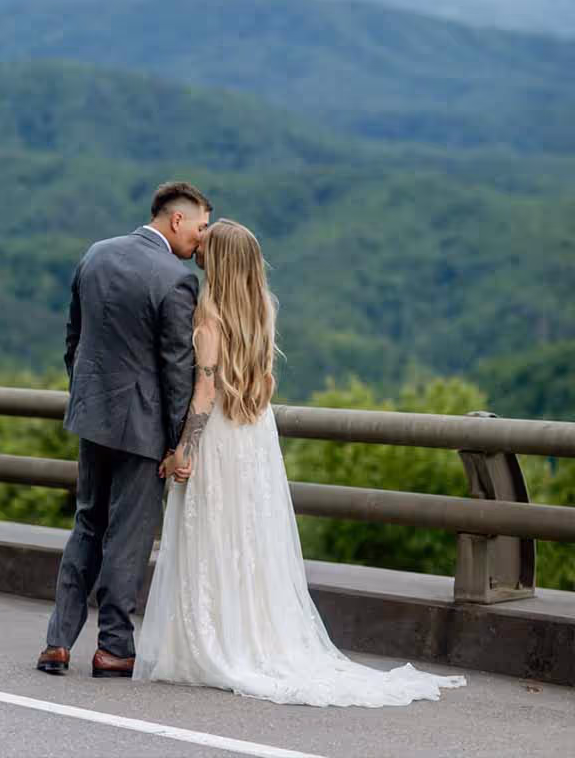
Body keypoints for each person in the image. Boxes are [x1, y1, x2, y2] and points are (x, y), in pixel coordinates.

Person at [134, 219, 467, 707]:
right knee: (250, 536)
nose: (196, 251)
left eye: (205, 247)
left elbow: (204, 392)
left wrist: (185, 448)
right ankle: (254, 634)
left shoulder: (208, 320)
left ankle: (216, 640)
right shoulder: (261, 311)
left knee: (213, 533)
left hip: (221, 435)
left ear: (219, 261)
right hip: (254, 432)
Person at [37, 181, 212, 678]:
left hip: (92, 416)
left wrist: (87, 394)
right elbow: (177, 368)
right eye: (199, 228)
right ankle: (113, 646)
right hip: (143, 428)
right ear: (175, 220)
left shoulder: (96, 254)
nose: (200, 240)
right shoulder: (175, 279)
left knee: (86, 524)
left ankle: (57, 641)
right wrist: (180, 442)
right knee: (128, 537)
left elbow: (75, 337)